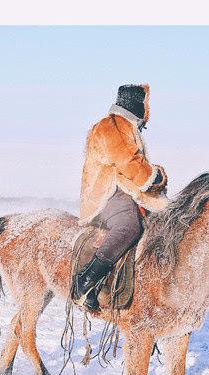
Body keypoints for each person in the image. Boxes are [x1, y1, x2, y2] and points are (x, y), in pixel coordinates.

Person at [75, 84, 168, 311]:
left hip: (125, 191)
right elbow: (128, 162)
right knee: (129, 228)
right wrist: (154, 177)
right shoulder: (112, 126)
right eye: (145, 106)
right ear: (137, 105)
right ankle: (86, 280)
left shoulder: (125, 126)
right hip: (109, 194)